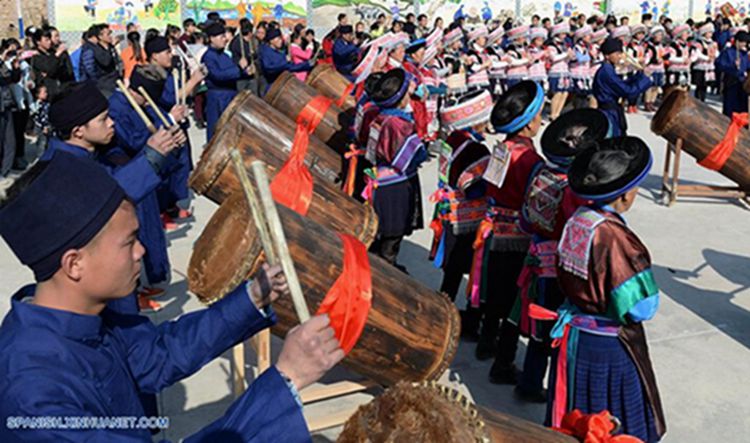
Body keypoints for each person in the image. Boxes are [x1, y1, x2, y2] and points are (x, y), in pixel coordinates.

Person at [0, 152, 345, 442]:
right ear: (74, 264)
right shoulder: (34, 399)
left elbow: (157, 355)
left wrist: (253, 297)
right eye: (129, 242)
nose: (142, 251)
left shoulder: (83, 320)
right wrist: (286, 380)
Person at [544, 136, 666, 443]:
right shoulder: (615, 237)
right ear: (624, 197)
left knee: (579, 411)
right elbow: (642, 306)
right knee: (612, 419)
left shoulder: (577, 220)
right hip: (609, 345)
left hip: (578, 338)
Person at [509, 109, 609, 403]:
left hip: (537, 258)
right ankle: (553, 395)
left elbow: (526, 219)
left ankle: (528, 382)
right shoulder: (574, 189)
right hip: (560, 271)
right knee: (556, 335)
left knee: (540, 332)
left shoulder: (542, 173)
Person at [468, 81, 543, 382]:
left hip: (494, 230)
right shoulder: (531, 160)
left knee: (495, 294)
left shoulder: (500, 150)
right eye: (538, 116)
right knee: (514, 302)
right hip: (519, 237)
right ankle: (504, 362)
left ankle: (486, 343)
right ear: (527, 124)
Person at [429, 90, 493, 339]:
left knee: (453, 270)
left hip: (450, 215)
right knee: (475, 272)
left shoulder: (453, 139)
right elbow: (473, 187)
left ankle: (442, 309)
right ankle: (469, 322)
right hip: (469, 219)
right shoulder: (475, 150)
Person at [366, 68, 427, 269]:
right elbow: (416, 156)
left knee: (380, 239)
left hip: (379, 183)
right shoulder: (399, 124)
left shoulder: (379, 117)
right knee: (391, 242)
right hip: (396, 187)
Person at [202, 22, 253, 140]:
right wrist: (239, 69)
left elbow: (235, 73)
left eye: (225, 36)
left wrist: (246, 72)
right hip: (217, 98)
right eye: (222, 37)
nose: (225, 40)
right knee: (217, 131)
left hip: (230, 95)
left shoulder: (225, 55)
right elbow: (218, 75)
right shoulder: (208, 56)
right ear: (211, 39)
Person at [592, 38, 651, 137]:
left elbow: (623, 84)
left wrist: (640, 75)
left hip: (614, 111)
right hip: (609, 113)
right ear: (607, 56)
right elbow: (627, 91)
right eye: (617, 54)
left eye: (620, 53)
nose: (620, 57)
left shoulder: (608, 69)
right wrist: (645, 79)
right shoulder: (606, 72)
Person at [258, 26, 313, 92]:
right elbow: (269, 68)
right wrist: (284, 62)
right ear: (271, 40)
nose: (280, 41)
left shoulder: (280, 53)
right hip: (271, 87)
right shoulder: (265, 52)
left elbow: (290, 67)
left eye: (281, 38)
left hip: (282, 85)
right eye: (278, 39)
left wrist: (306, 65)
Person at [715, 30, 750, 116]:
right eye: (742, 42)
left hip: (742, 84)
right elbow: (719, 65)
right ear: (737, 41)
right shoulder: (728, 52)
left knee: (742, 108)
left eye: (745, 43)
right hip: (731, 83)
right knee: (730, 108)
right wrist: (732, 66)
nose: (744, 45)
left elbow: (747, 66)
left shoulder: (744, 54)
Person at [547, 23, 573, 120]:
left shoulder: (565, 45)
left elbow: (567, 57)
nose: (564, 36)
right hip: (555, 70)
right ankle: (553, 113)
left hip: (565, 70)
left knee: (565, 92)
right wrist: (566, 54)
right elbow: (554, 58)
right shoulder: (551, 45)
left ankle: (558, 113)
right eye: (562, 34)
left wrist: (570, 56)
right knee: (557, 92)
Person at [691, 22, 719, 102]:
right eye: (709, 32)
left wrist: (714, 56)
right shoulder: (698, 43)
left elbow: (717, 52)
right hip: (700, 66)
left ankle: (702, 101)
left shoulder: (713, 43)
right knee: (699, 86)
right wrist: (707, 58)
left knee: (705, 86)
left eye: (711, 32)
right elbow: (697, 53)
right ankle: (697, 101)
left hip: (709, 67)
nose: (710, 34)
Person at [643, 26, 666, 112]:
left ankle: (652, 101)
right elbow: (647, 57)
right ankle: (647, 102)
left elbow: (664, 54)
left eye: (661, 35)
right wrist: (653, 60)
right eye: (658, 35)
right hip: (651, 68)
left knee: (656, 86)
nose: (660, 37)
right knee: (650, 86)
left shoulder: (661, 46)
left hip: (659, 67)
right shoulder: (649, 46)